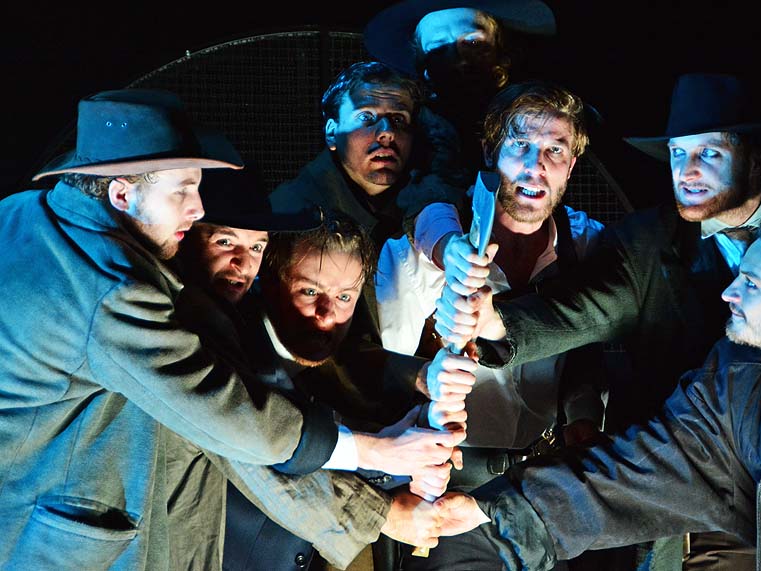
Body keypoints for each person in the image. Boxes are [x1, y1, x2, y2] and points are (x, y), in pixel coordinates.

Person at [434, 73, 761, 568]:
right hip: (700, 488)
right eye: (677, 154)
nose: (688, 172)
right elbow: (581, 310)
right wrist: (495, 323)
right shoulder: (645, 242)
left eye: (708, 153)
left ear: (756, 159)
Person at [0, 89, 440, 571]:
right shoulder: (114, 290)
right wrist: (378, 459)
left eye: (257, 246)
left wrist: (416, 380)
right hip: (60, 541)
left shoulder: (23, 214)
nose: (196, 208)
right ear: (121, 193)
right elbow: (227, 415)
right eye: (182, 191)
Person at [437, 215, 761, 571]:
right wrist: (498, 510)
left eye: (752, 284)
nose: (729, 293)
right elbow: (635, 469)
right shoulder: (735, 387)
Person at [174, 170, 463, 570]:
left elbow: (353, 399)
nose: (326, 315)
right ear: (271, 283)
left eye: (344, 297)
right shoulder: (215, 347)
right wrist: (387, 501)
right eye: (309, 291)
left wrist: (422, 456)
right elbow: (275, 458)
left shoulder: (337, 357)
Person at [376, 81, 605, 570]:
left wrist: (583, 416)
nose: (535, 166)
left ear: (571, 166)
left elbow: (597, 344)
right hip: (443, 496)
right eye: (520, 146)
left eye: (554, 150)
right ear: (490, 151)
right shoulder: (419, 256)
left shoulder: (589, 247)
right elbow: (376, 376)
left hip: (541, 493)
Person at [269, 61, 425, 344]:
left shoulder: (423, 205)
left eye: (398, 119)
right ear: (332, 132)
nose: (387, 132)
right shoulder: (292, 214)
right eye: (366, 117)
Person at [364, 0, 557, 179]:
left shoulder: (542, 124)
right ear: (425, 70)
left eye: (473, 42)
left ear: (501, 53)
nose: (459, 59)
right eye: (439, 48)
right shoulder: (404, 139)